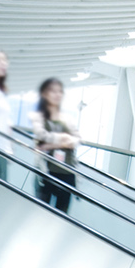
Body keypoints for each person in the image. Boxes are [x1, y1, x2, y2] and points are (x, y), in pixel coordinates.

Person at [28, 78, 78, 213]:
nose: (57, 95)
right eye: (53, 91)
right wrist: (63, 140)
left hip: (66, 174)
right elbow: (41, 140)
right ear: (44, 94)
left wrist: (51, 144)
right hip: (47, 172)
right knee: (41, 214)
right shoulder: (39, 117)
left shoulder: (67, 119)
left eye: (60, 92)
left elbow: (75, 140)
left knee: (62, 217)